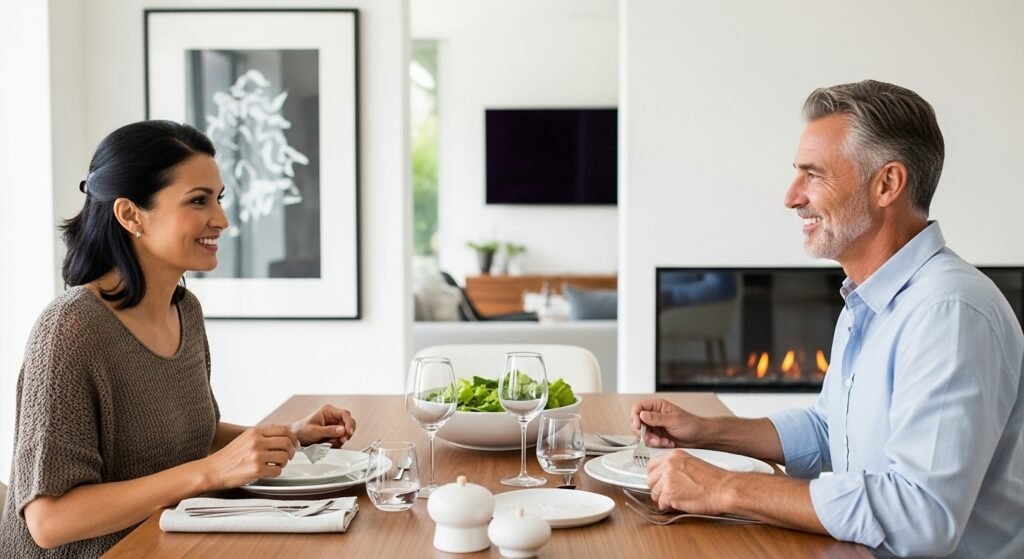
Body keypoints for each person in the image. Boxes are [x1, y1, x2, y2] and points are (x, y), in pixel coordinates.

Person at [632, 80, 1023, 557]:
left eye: (813, 175)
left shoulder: (948, 312)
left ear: (888, 184)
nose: (791, 197)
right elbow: (830, 431)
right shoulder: (870, 297)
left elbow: (922, 516)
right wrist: (707, 431)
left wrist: (724, 488)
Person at [0, 121, 357, 557]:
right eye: (198, 201)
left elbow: (184, 439)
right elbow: (49, 521)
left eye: (218, 199)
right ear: (130, 214)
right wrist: (209, 472)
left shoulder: (184, 310)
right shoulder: (70, 330)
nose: (222, 219)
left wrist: (292, 435)